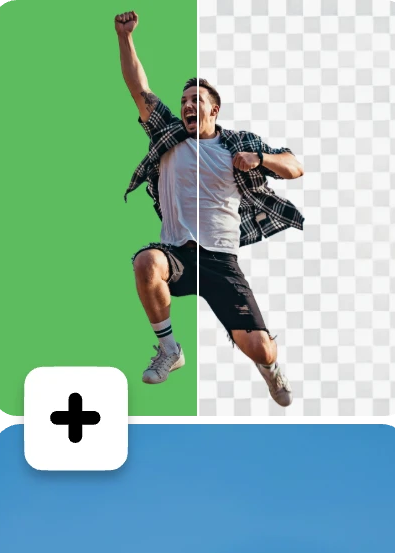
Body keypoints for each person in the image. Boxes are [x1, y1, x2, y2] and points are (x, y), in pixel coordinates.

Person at [115, 10, 305, 406]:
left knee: (261, 348)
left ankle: (270, 370)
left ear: (213, 109)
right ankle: (170, 350)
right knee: (146, 263)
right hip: (177, 253)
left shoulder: (237, 143)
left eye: (195, 100)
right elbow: (139, 88)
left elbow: (294, 165)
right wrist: (125, 37)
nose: (187, 105)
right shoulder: (168, 133)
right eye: (184, 100)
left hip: (221, 260)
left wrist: (260, 159)